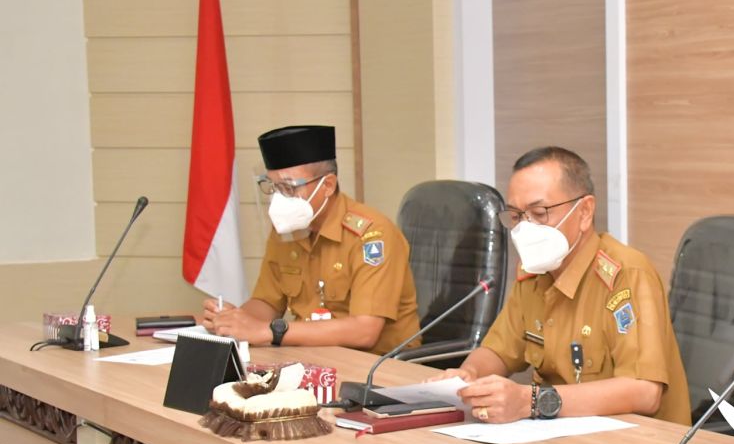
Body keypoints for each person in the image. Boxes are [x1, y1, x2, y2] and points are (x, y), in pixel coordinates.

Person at [431, 147, 692, 425]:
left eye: (540, 212)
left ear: (585, 212)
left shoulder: (626, 274)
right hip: (560, 436)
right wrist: (469, 375)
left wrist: (531, 402)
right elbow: (499, 350)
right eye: (517, 217)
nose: (525, 229)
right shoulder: (534, 273)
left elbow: (644, 392)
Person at [202, 125, 421, 354]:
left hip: (379, 366)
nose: (279, 199)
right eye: (273, 187)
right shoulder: (286, 231)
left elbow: (364, 331)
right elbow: (267, 304)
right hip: (310, 356)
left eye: (288, 187)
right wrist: (233, 320)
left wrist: (268, 331)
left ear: (327, 185)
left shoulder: (372, 234)